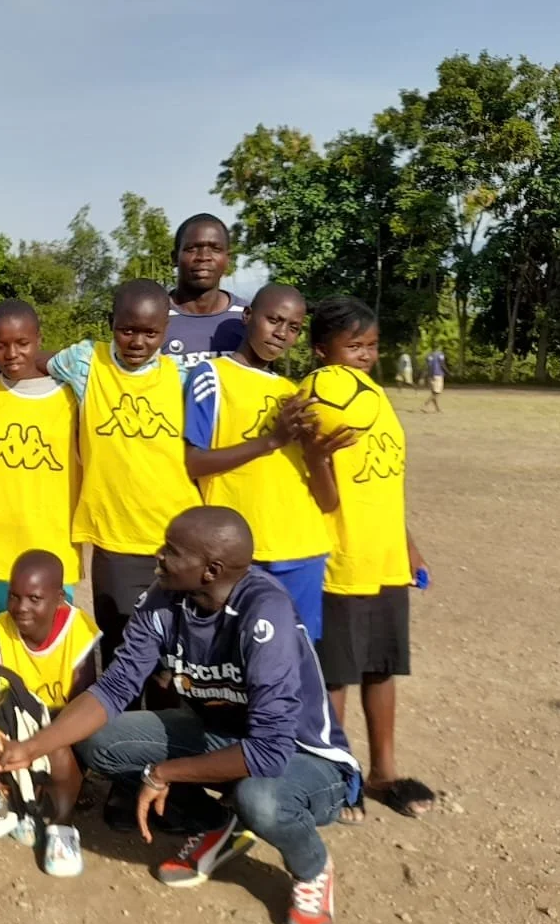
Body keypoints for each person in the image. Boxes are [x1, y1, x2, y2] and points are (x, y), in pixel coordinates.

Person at [0, 507, 362, 924]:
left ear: (211, 570)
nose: (159, 556)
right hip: (220, 736)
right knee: (100, 741)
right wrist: (34, 746)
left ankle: (312, 869)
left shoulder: (265, 614)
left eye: (173, 551)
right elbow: (114, 688)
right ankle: (219, 823)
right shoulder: (164, 599)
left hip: (303, 758)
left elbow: (268, 751)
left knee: (260, 796)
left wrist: (163, 773)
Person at [308, 298, 434, 822]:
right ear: (321, 349)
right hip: (341, 557)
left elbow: (384, 480)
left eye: (371, 345)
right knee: (335, 676)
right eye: (352, 345)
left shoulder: (376, 396)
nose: (364, 355)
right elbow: (324, 496)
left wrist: (407, 541)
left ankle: (384, 772)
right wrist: (316, 454)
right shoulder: (314, 399)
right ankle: (340, 778)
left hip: (384, 557)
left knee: (383, 669)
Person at [47, 279, 202, 661]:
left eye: (151, 333)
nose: (137, 341)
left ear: (166, 329)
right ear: (110, 322)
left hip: (174, 537)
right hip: (113, 538)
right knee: (120, 652)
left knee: (173, 657)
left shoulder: (185, 378)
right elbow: (37, 361)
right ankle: (126, 724)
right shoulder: (85, 362)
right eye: (127, 329)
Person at [184, 283, 347, 640]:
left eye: (293, 327)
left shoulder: (298, 393)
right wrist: (271, 441)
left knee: (297, 662)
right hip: (240, 553)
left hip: (303, 549)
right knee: (234, 663)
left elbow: (328, 500)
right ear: (247, 317)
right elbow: (194, 463)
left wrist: (318, 456)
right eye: (273, 319)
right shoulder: (211, 378)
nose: (281, 333)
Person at [0, 550, 99, 876]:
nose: (21, 607)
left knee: (57, 743)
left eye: (34, 598)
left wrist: (47, 738)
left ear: (59, 599)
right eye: (14, 596)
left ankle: (62, 827)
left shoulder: (77, 629)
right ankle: (23, 804)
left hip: (61, 729)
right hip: (13, 728)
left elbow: (84, 701)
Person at [0, 300, 80, 633]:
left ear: (39, 340)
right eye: (0, 345)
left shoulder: (71, 396)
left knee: (48, 654)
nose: (11, 353)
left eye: (22, 343)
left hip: (51, 548)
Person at [165, 214, 248, 368]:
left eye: (215, 249)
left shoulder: (247, 318)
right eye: (191, 249)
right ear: (175, 257)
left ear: (227, 258)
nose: (204, 257)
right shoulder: (155, 317)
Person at [423, 348, 448, 413]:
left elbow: (427, 365)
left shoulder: (430, 355)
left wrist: (424, 376)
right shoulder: (440, 354)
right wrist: (447, 372)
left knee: (433, 393)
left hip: (431, 375)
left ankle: (437, 409)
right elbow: (442, 364)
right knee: (437, 392)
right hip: (438, 374)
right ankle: (425, 405)